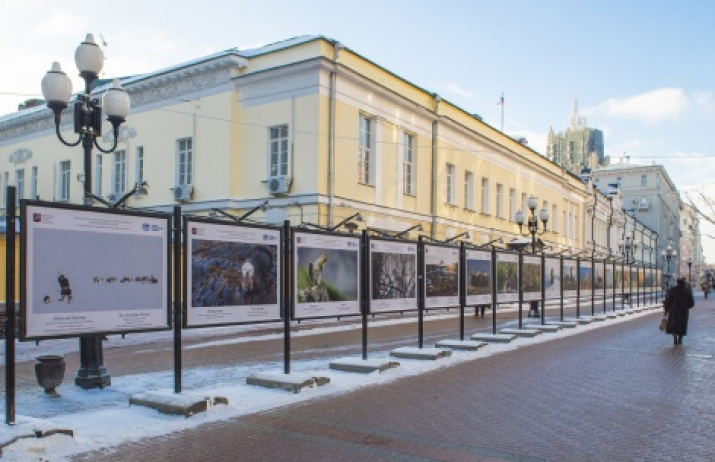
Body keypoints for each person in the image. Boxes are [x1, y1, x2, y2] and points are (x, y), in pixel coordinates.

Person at [663, 277, 695, 345]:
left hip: (674, 310)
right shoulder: (687, 291)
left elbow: (668, 300)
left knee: (673, 324)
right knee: (682, 324)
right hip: (683, 310)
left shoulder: (673, 290)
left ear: (677, 283)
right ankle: (680, 339)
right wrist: (687, 306)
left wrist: (667, 308)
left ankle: (675, 337)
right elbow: (691, 303)